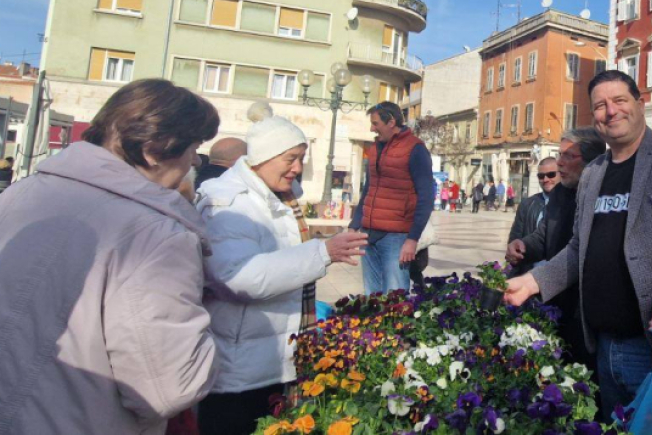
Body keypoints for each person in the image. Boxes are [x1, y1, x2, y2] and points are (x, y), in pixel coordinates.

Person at [506, 71, 652, 424]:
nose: (610, 111)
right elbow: (577, 249)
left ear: (640, 104)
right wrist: (534, 281)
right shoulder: (593, 173)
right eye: (600, 106)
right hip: (607, 346)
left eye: (619, 100)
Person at [0, 79, 219, 434]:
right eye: (194, 147)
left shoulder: (19, 193)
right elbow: (169, 388)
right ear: (154, 148)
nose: (195, 160)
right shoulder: (157, 234)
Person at [197, 116, 370, 435]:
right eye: (290, 158)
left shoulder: (278, 198)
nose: (297, 167)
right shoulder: (229, 202)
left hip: (271, 360)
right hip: (238, 371)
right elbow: (239, 278)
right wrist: (322, 252)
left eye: (301, 158)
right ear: (263, 157)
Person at [506, 129, 606, 370]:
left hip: (588, 311)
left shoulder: (604, 194)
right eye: (559, 154)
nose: (559, 162)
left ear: (591, 161)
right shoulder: (560, 193)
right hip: (558, 301)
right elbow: (544, 236)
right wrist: (524, 245)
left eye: (568, 156)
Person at [350, 102, 434, 294]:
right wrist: (354, 224)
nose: (372, 128)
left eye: (375, 123)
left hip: (396, 236)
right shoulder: (374, 148)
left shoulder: (415, 149)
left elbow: (426, 197)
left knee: (395, 298)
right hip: (368, 233)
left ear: (391, 122)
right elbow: (368, 190)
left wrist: (412, 239)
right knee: (372, 295)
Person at [505, 157, 559, 274]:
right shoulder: (527, 204)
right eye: (541, 176)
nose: (545, 179)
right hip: (530, 273)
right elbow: (515, 237)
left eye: (551, 175)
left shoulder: (572, 203)